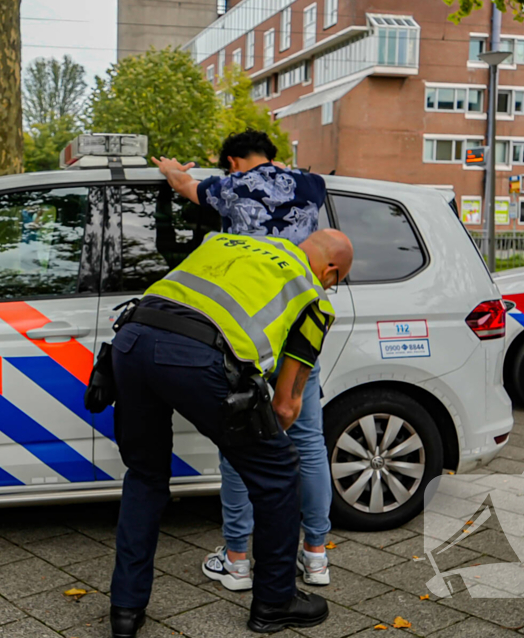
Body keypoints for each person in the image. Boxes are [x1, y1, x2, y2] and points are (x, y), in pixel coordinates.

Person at [108, 228, 354, 637]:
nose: (331, 286)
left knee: (145, 476)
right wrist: (261, 438)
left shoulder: (226, 241)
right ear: (330, 270)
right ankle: (275, 602)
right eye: (337, 280)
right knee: (277, 474)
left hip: (131, 339)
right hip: (195, 357)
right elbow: (286, 406)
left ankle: (125, 611)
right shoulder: (312, 295)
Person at [152, 130, 334, 590]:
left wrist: (172, 168)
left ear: (233, 161)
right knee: (309, 444)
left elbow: (183, 187)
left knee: (239, 443)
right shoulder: (312, 185)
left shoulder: (229, 188)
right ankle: (316, 558)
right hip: (298, 318)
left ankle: (237, 560)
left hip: (246, 326)